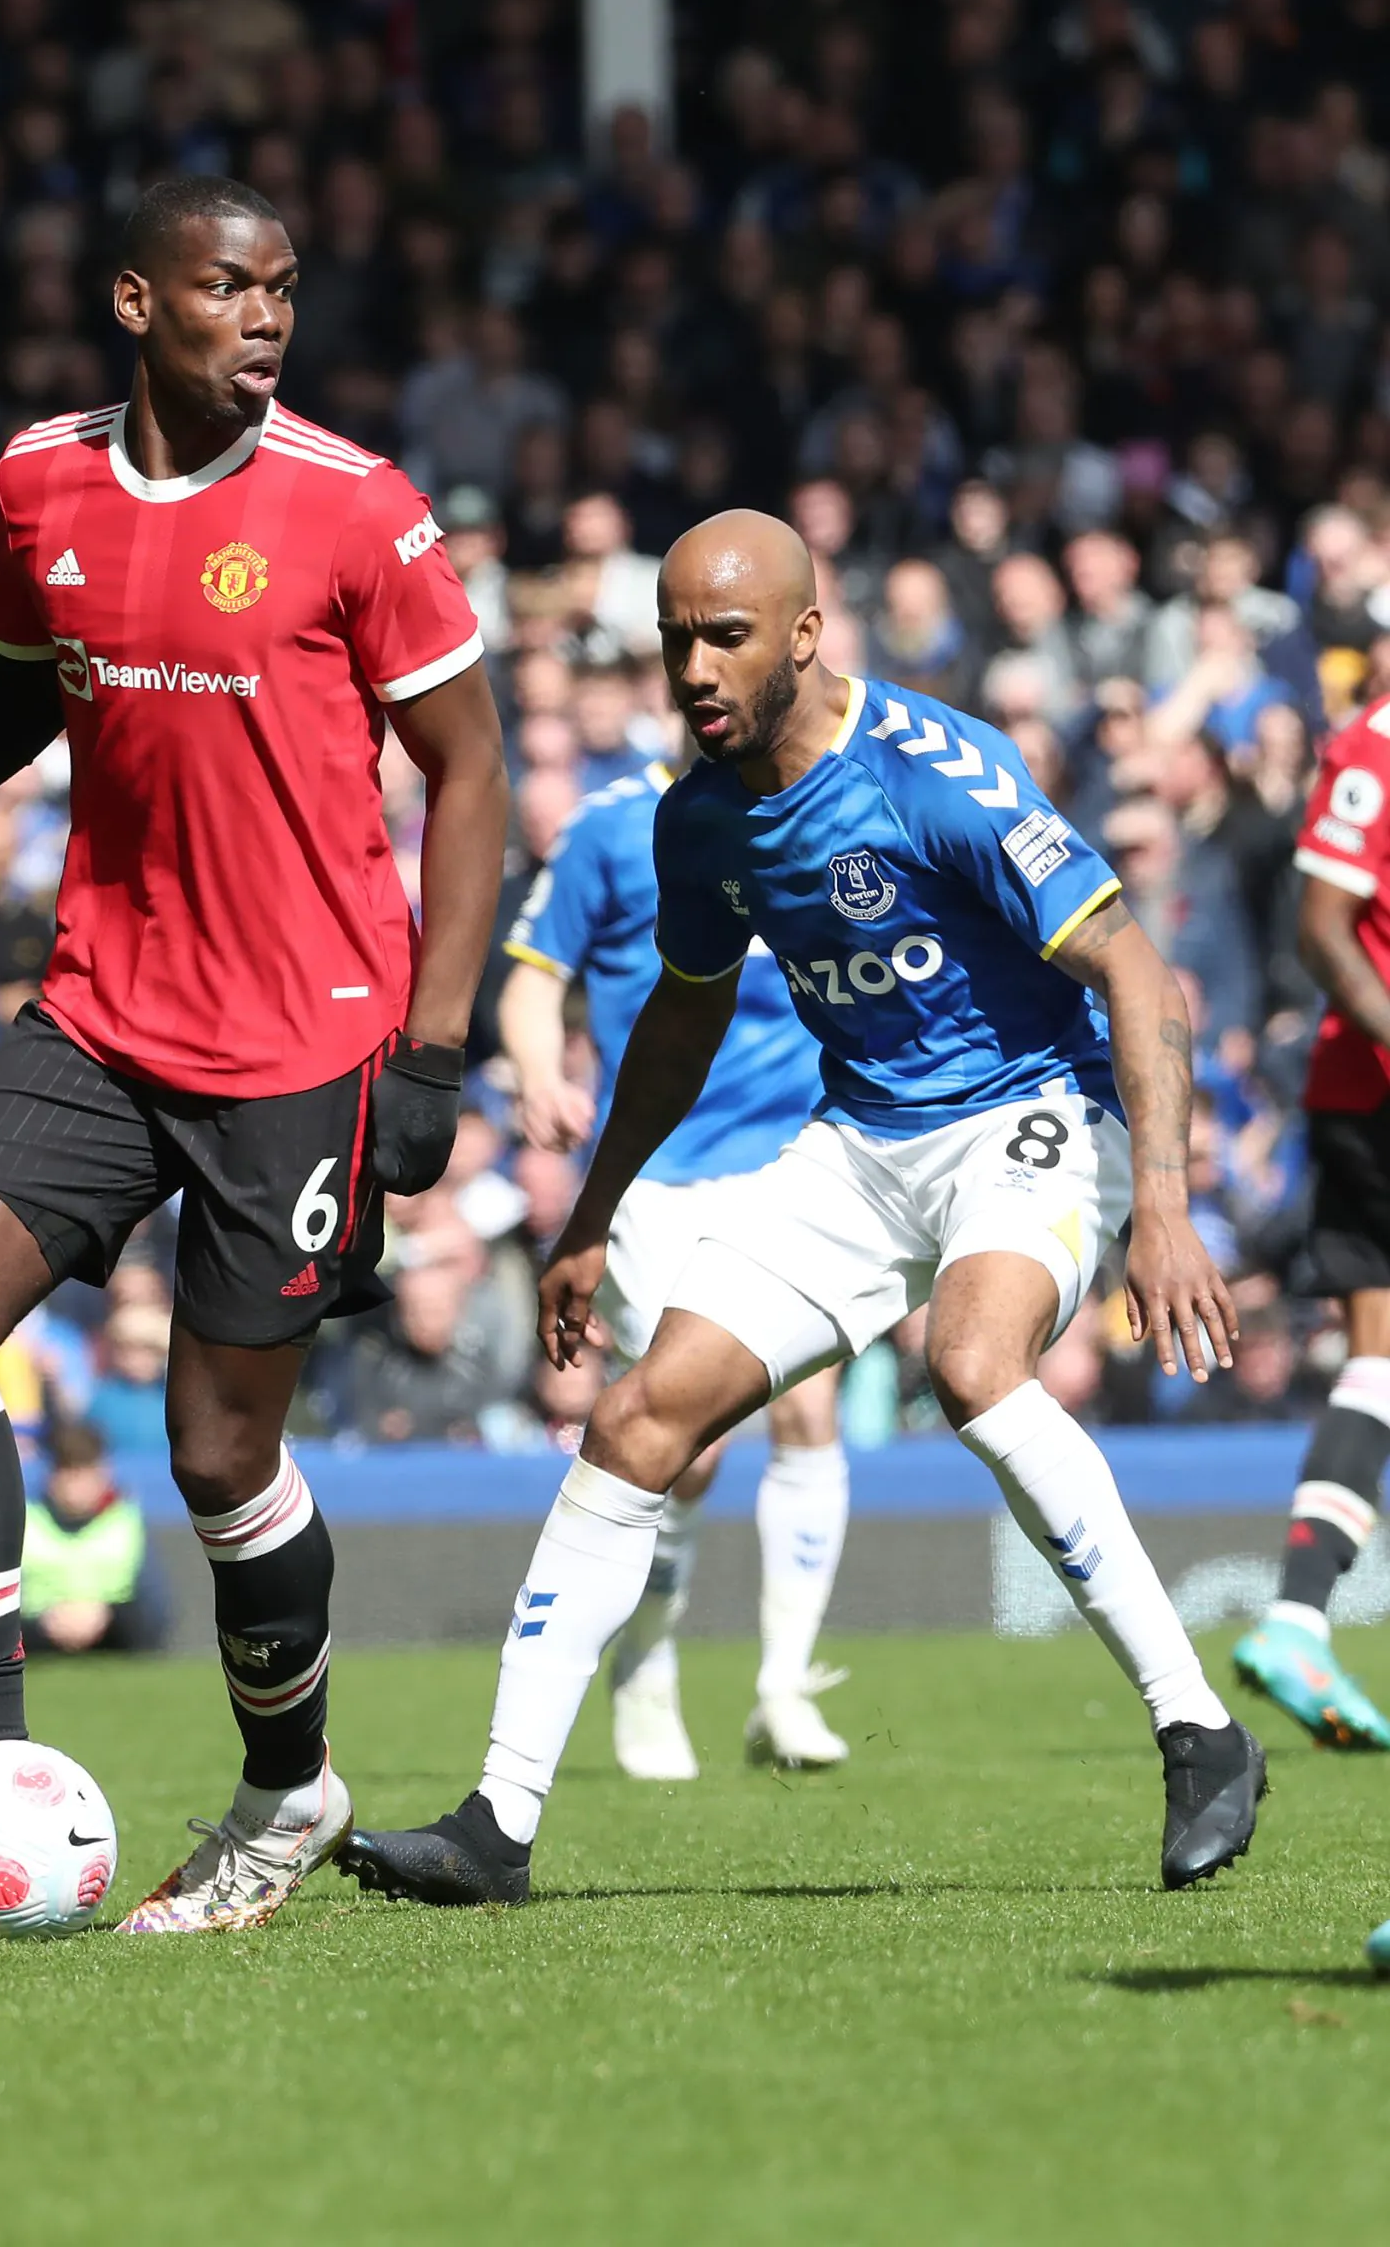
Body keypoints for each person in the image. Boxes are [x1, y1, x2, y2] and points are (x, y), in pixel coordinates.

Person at [0, 176, 508, 1934]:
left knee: (217, 1456)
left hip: (302, 1039)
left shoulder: (357, 506)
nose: (266, 316)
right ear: (137, 301)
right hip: (102, 1009)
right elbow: (13, 698)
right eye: (229, 286)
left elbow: (473, 767)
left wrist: (437, 1046)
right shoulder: (39, 479)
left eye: (284, 287)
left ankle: (287, 1793)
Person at [341, 508, 1261, 1909]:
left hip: (1029, 1111)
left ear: (806, 633)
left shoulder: (939, 776)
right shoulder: (698, 815)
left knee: (973, 1363)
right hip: (861, 1142)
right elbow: (681, 1016)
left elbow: (1139, 974)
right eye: (675, 641)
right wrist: (592, 1214)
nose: (694, 670)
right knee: (635, 1421)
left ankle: (1199, 1732)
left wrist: (1166, 1204)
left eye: (726, 638)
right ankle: (495, 1825)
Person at [502, 736, 850, 1778]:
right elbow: (534, 976)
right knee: (688, 1446)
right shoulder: (614, 825)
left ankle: (784, 1687)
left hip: (798, 1158)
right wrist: (537, 1073)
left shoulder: (821, 802)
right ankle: (646, 1662)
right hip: (657, 1173)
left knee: (808, 1410)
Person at [1229, 690, 1390, 1749]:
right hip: (1372, 1093)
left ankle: (1295, 1620)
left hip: (1357, 1096)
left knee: (1379, 1366)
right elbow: (1321, 923)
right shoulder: (1376, 742)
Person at [22, 1421, 170, 1656]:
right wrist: (45, 1623)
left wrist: (106, 1616)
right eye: (67, 1472)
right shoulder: (26, 1522)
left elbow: (155, 1612)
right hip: (37, 1644)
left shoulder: (126, 1520)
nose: (75, 1486)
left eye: (84, 1472)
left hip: (117, 1644)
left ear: (104, 1472)